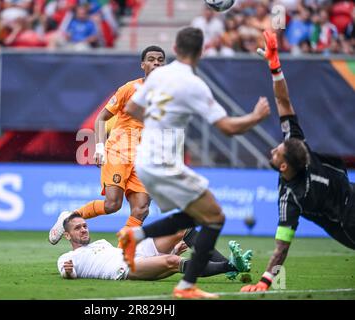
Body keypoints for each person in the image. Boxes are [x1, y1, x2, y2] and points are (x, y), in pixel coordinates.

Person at [118, 27, 271, 299]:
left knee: (196, 214)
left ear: (175, 50)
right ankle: (186, 286)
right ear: (201, 52)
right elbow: (227, 128)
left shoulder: (158, 76)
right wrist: (255, 117)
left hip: (144, 159)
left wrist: (159, 119)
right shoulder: (194, 85)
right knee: (215, 217)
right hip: (164, 161)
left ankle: (135, 236)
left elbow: (132, 109)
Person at [241, 30, 355, 292]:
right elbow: (283, 100)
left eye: (276, 151)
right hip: (349, 220)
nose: (273, 149)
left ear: (283, 166)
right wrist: (275, 67)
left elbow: (282, 247)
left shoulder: (291, 185)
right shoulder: (296, 168)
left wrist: (275, 67)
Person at [49, 46, 166, 247]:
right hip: (119, 151)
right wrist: (100, 148)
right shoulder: (129, 89)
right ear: (143, 65)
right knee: (113, 204)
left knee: (142, 209)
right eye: (152, 59)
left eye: (160, 60)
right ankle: (71, 217)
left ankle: (120, 255)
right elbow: (102, 118)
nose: (156, 63)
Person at [58, 213, 252, 281]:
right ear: (67, 235)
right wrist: (68, 272)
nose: (84, 230)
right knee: (173, 262)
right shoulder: (68, 258)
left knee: (182, 229)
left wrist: (172, 247)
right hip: (125, 268)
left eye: (85, 225)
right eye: (78, 228)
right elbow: (69, 273)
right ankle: (231, 266)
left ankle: (228, 263)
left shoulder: (101, 243)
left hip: (135, 254)